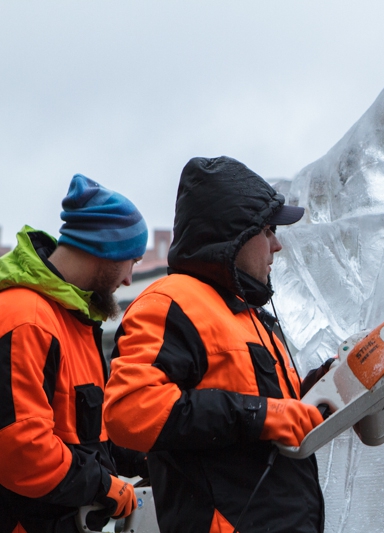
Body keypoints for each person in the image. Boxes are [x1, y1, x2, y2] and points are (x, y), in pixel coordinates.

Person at [103, 156, 326, 533]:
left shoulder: (252, 316)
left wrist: (324, 387)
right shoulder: (169, 303)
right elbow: (130, 412)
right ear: (237, 232)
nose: (277, 245)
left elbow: (262, 414)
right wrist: (262, 414)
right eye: (268, 230)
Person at [0, 174, 148, 533]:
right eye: (132, 260)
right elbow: (21, 451)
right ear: (106, 250)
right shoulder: (26, 319)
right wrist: (104, 486)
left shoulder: (74, 322)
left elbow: (88, 436)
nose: (129, 280)